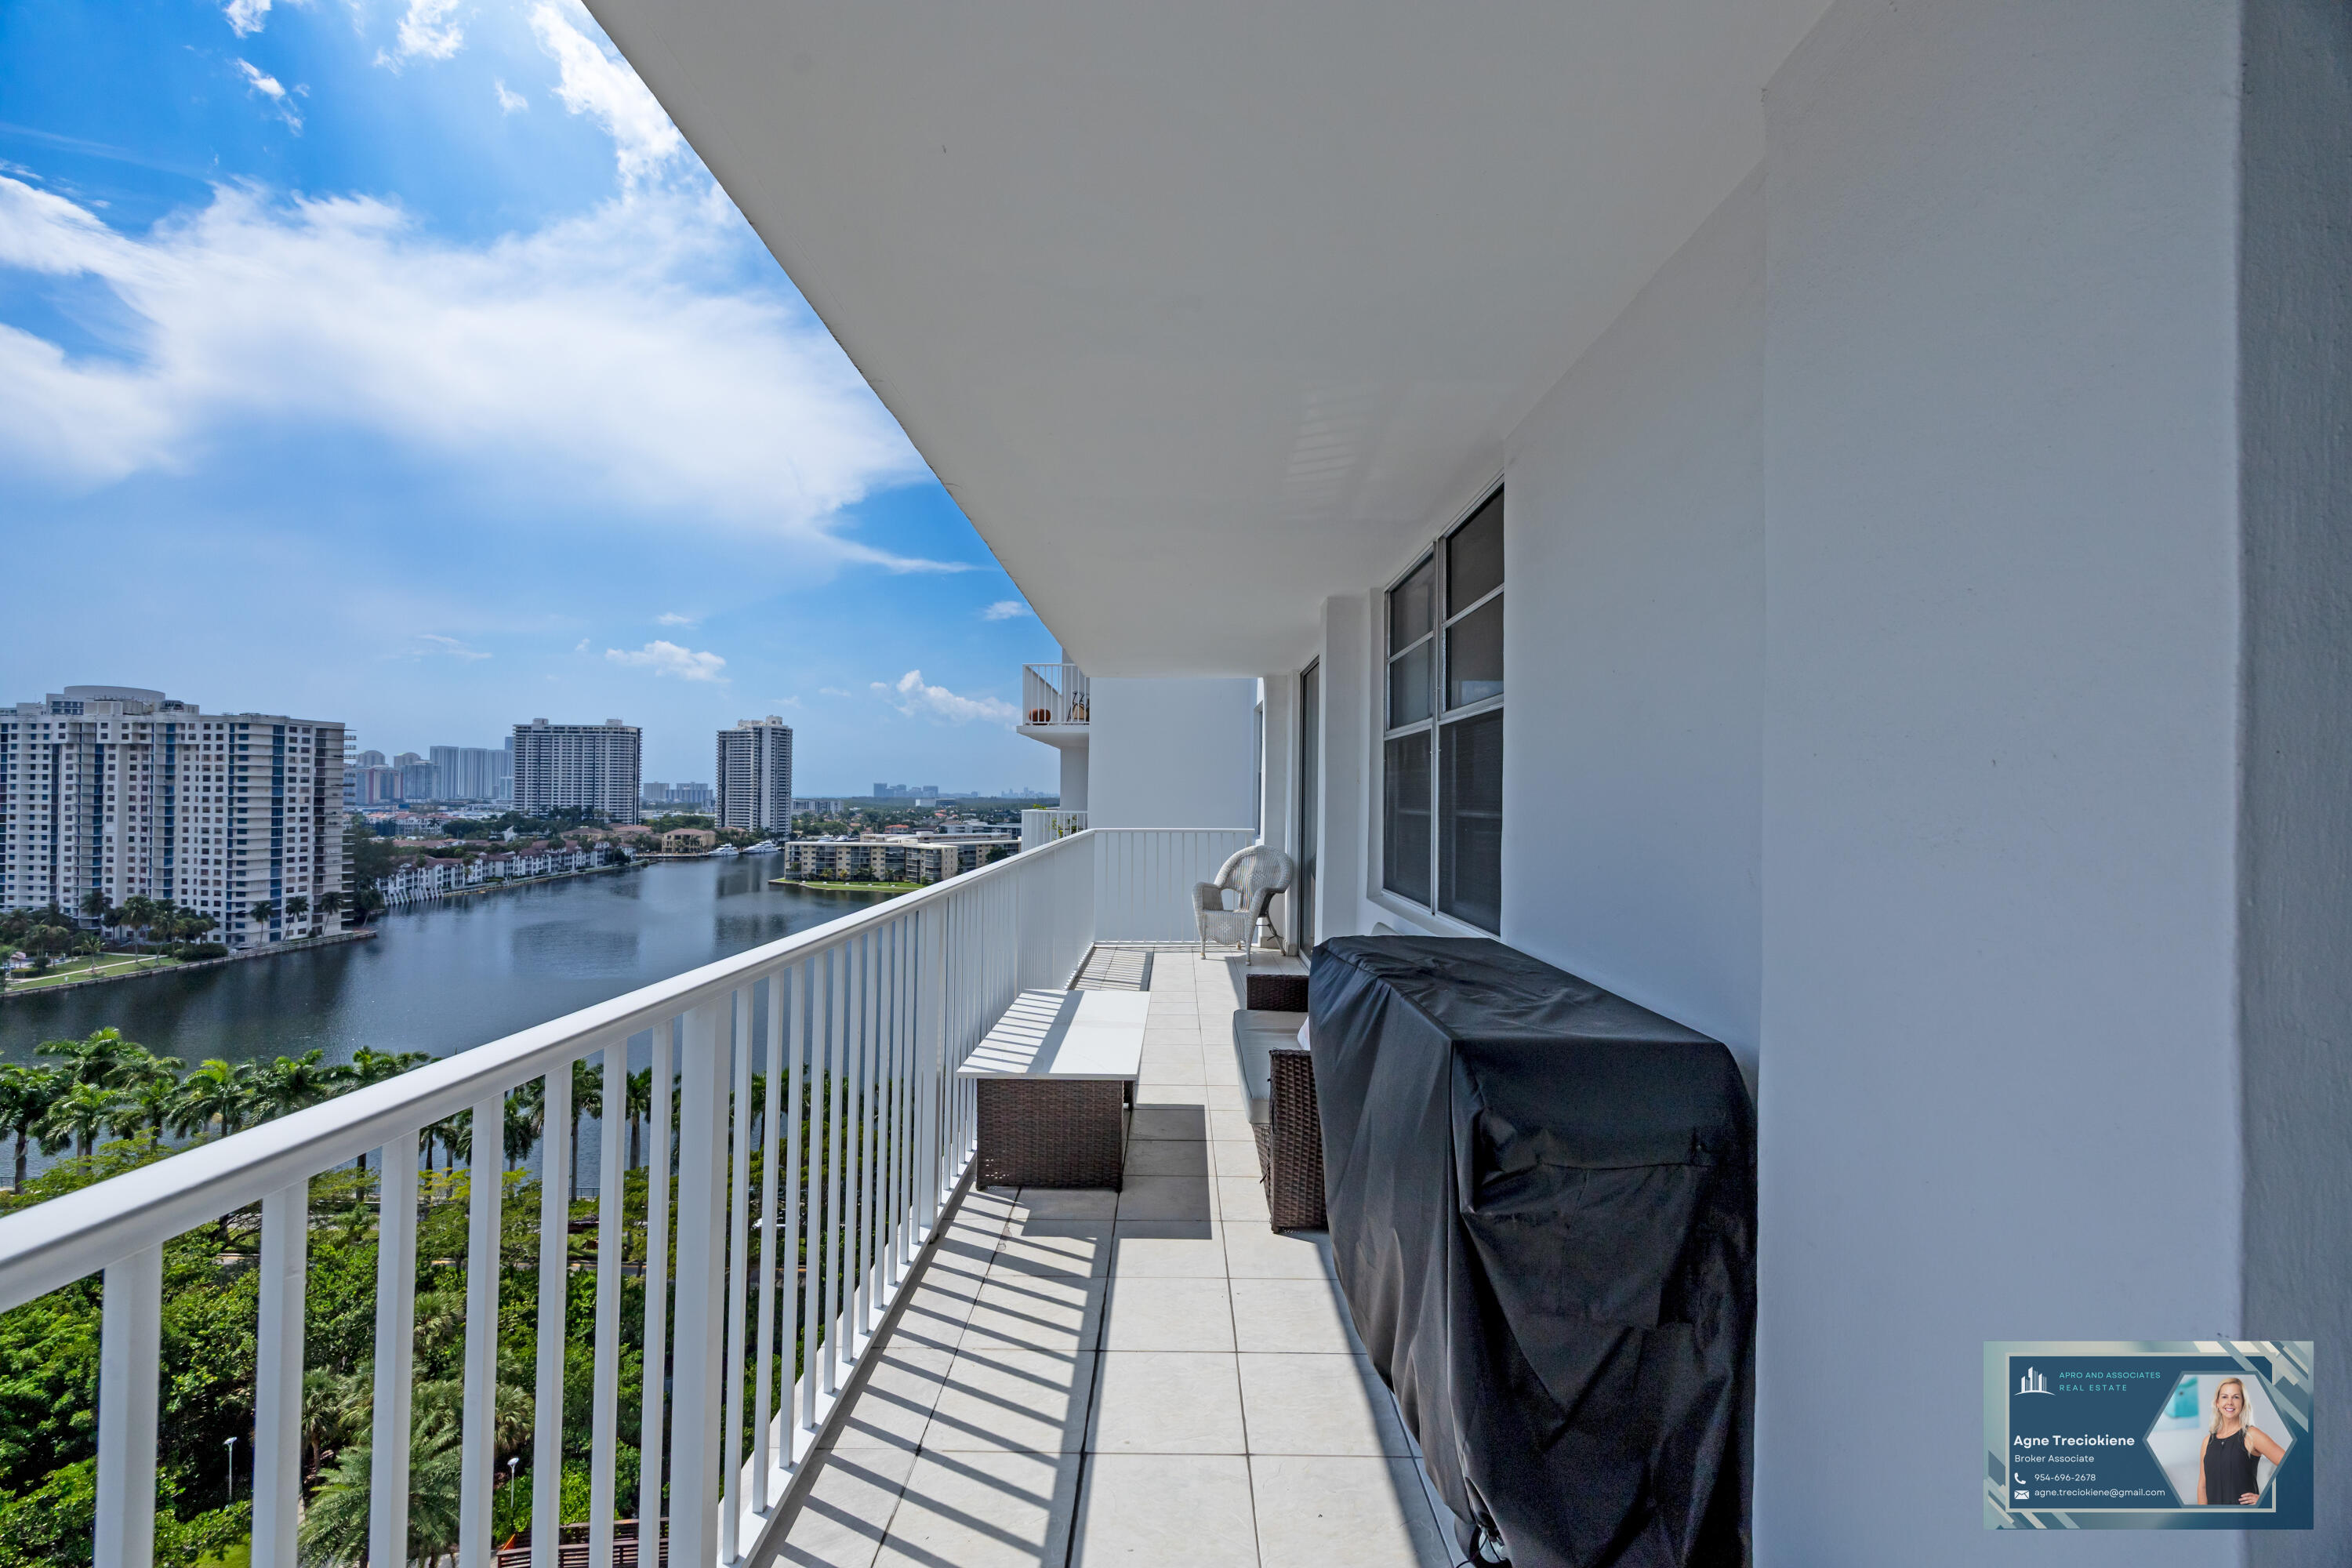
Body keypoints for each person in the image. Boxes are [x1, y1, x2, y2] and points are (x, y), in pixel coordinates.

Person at [2198, 1377, 2286, 1505]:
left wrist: (2266, 1498)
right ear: (2217, 1402)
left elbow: (2293, 1465)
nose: (2230, 1402)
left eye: (2236, 1397)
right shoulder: (2207, 1442)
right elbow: (2202, 1487)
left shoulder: (2252, 1435)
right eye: (2224, 1397)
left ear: (2243, 1403)